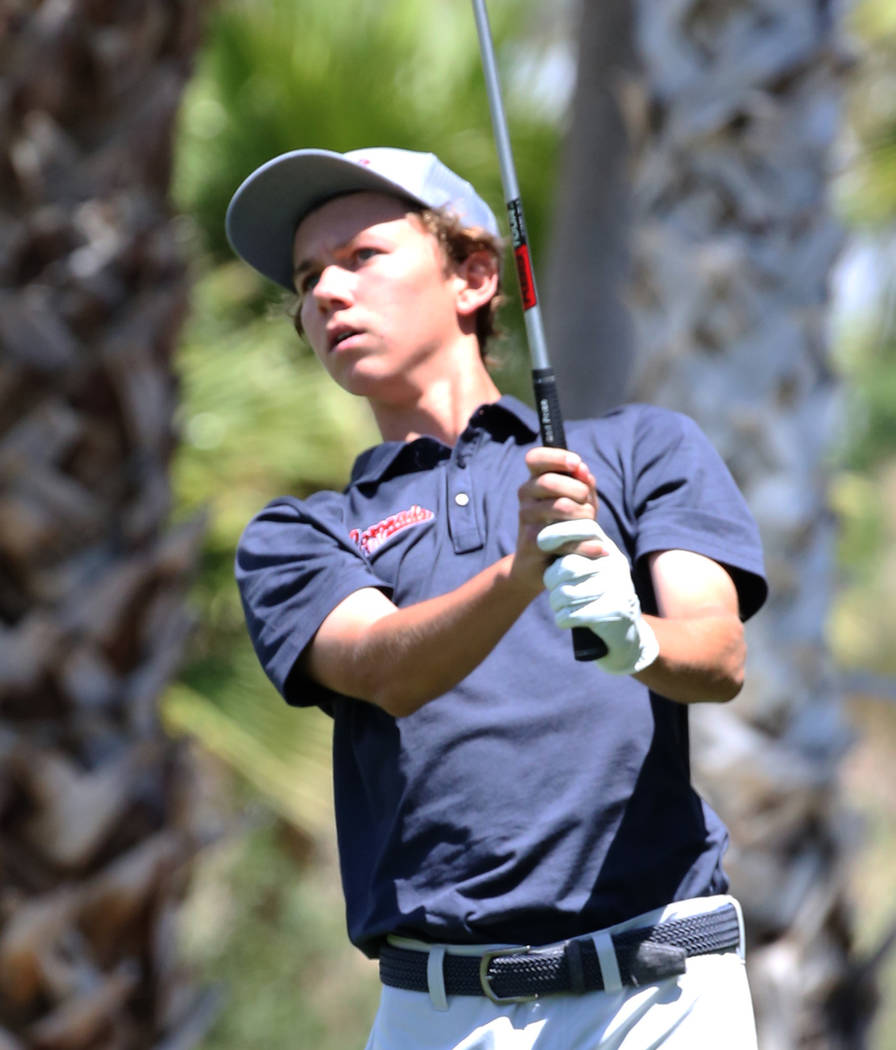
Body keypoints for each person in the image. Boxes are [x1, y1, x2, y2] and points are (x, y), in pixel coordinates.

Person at [226, 146, 768, 1049]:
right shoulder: (300, 534)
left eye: (361, 257)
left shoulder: (638, 452)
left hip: (662, 996)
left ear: (476, 274)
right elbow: (380, 667)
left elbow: (718, 656)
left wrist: (633, 637)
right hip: (441, 1012)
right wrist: (519, 572)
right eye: (308, 276)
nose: (326, 293)